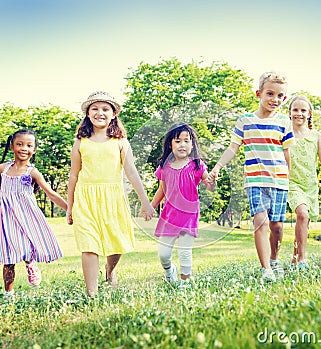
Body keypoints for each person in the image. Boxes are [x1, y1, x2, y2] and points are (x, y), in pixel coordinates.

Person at [208, 72, 295, 283]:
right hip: (255, 180)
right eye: (270, 94)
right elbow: (233, 148)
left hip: (279, 180)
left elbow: (286, 154)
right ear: (259, 93)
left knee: (277, 226)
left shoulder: (284, 121)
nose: (275, 99)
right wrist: (218, 166)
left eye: (280, 96)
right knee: (260, 222)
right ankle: (266, 269)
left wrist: (289, 177)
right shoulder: (245, 121)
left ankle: (274, 259)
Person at [67, 91, 155, 297]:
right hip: (86, 198)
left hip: (113, 197)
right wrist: (70, 206)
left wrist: (146, 202)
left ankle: (110, 269)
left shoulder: (121, 141)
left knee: (117, 240)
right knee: (89, 244)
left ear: (113, 113)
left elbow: (131, 172)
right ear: (88, 114)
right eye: (95, 109)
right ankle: (92, 294)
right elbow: (73, 175)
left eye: (105, 109)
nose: (100, 113)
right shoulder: (81, 142)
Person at [0, 129, 67, 299]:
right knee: (8, 256)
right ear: (11, 146)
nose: (24, 148)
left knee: (25, 246)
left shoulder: (32, 172)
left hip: (26, 217)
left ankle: (30, 262)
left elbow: (51, 193)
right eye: (20, 144)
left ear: (34, 150)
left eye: (29, 145)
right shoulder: (3, 168)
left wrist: (69, 209)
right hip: (6, 218)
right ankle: (8, 293)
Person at [151, 123, 215, 288]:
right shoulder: (165, 166)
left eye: (186, 141)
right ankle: (169, 271)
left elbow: (208, 185)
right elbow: (161, 190)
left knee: (185, 251)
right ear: (170, 144)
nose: (182, 145)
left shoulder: (197, 165)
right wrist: (151, 207)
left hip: (189, 215)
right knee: (164, 254)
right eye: (178, 141)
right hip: (169, 216)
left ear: (192, 144)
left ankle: (185, 282)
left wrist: (212, 182)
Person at [286, 95, 321, 269]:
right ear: (289, 112)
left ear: (309, 114)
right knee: (302, 215)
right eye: (295, 110)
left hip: (310, 185)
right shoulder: (284, 135)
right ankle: (302, 259)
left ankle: (294, 258)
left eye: (303, 110)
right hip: (292, 184)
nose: (299, 113)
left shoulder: (316, 136)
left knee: (303, 223)